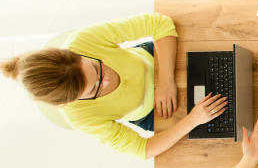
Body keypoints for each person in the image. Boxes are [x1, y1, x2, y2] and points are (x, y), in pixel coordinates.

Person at [1, 13, 225, 159]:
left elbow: (160, 24)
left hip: (154, 59)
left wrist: (166, 80)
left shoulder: (83, 40)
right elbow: (142, 149)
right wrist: (191, 121)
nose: (107, 81)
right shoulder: (80, 117)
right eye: (94, 89)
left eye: (97, 69)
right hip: (152, 113)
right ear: (72, 101)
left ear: (76, 55)